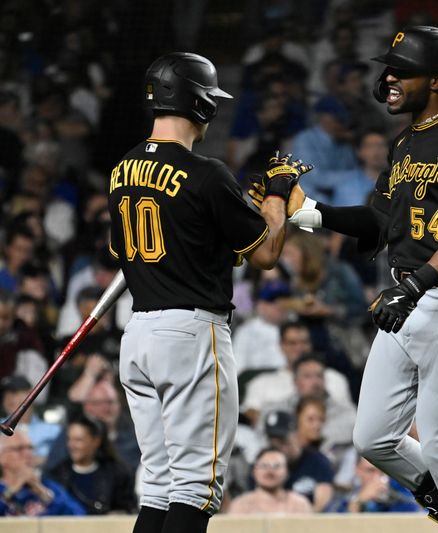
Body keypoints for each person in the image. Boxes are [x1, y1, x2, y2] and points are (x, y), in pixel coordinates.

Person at [278, 26, 438, 532]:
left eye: (405, 70)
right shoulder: (404, 143)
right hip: (413, 296)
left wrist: (415, 284)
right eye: (391, 68)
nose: (391, 78)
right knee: (373, 438)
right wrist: (308, 213)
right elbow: (378, 222)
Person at [107, 52, 308, 533]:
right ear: (200, 104)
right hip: (192, 334)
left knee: (158, 486)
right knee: (195, 488)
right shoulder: (207, 173)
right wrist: (278, 196)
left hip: (138, 335)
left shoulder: (119, 171)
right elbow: (264, 255)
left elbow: (124, 252)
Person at [47, 414, 137, 514]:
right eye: (69, 439)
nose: (71, 445)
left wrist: (119, 514)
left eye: (78, 440)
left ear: (96, 441)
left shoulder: (118, 473)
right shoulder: (57, 475)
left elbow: (129, 507)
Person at [0, 428, 85, 516]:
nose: (28, 453)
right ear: (2, 457)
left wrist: (42, 492)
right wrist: (12, 491)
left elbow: (78, 516)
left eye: (30, 448)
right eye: (19, 449)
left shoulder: (48, 486)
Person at [264, 410, 335, 512]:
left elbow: (323, 501)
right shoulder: (262, 464)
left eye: (282, 439)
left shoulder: (317, 461)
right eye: (272, 440)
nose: (277, 445)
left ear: (296, 434)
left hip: (309, 522)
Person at [226, 448, 312, 514]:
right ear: (253, 471)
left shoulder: (300, 505)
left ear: (287, 472)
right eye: (264, 466)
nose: (270, 471)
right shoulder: (240, 505)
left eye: (276, 466)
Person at [331, 456, 422, 513]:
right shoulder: (344, 496)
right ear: (357, 470)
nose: (376, 477)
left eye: (382, 471)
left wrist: (392, 498)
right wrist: (358, 502)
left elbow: (420, 515)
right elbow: (333, 526)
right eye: (370, 471)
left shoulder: (401, 493)